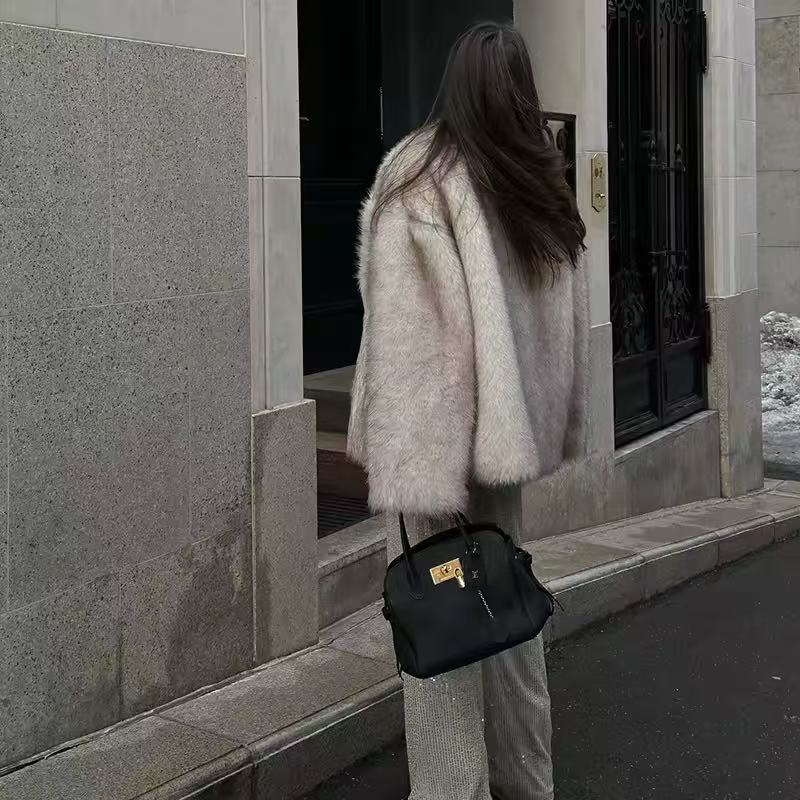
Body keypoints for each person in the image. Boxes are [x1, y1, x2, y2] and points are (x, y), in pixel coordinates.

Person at [347, 21, 588, 800]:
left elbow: (412, 342)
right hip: (504, 446)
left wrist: (421, 474)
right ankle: (528, 779)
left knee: (442, 629)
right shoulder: (534, 178)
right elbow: (560, 327)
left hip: (438, 453)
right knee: (507, 611)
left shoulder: (420, 177)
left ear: (455, 83)